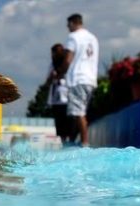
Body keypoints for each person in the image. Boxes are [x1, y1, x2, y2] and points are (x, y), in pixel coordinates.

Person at [61, 13, 99, 147]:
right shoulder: (93, 38)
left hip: (78, 78)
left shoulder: (73, 37)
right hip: (90, 79)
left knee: (78, 113)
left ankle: (84, 143)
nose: (67, 27)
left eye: (68, 24)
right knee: (80, 112)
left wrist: (61, 72)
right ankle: (78, 141)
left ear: (73, 23)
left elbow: (68, 59)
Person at [45, 44, 71, 144]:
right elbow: (47, 82)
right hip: (56, 100)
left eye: (54, 53)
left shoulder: (68, 63)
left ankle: (70, 141)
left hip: (67, 98)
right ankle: (63, 142)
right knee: (60, 125)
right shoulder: (52, 65)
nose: (52, 55)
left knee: (69, 122)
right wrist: (52, 77)